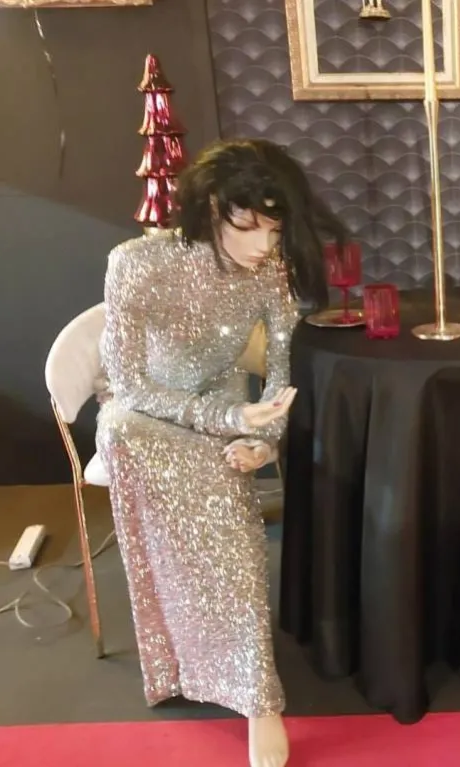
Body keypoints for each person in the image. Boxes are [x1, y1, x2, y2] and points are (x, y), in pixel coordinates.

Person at [97, 138, 337, 767]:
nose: (264, 244)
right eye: (250, 225)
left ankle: (258, 698)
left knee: (225, 508)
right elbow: (128, 385)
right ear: (211, 206)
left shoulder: (269, 272)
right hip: (148, 419)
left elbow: (281, 372)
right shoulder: (135, 263)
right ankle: (190, 665)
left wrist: (263, 438)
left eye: (275, 229)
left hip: (228, 416)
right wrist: (227, 421)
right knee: (126, 433)